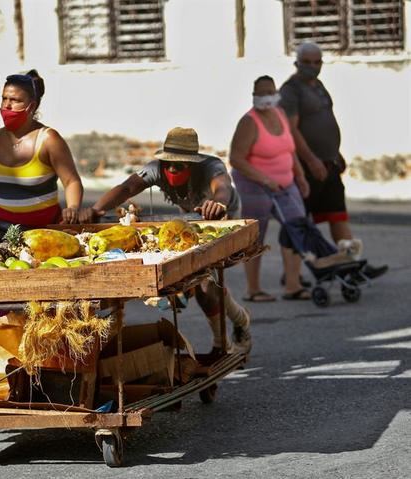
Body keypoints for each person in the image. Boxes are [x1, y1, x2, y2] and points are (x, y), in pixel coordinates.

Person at [79, 127, 251, 356]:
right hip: (191, 218)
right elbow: (127, 188)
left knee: (206, 284)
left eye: (179, 165)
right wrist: (96, 209)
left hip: (221, 217)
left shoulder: (212, 167)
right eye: (168, 163)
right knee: (194, 277)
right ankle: (238, 323)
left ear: (192, 164)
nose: (171, 169)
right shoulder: (155, 169)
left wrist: (218, 204)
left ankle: (224, 341)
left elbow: (222, 187)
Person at [279, 42, 387, 280]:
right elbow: (291, 130)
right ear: (297, 62)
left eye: (317, 62)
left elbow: (325, 119)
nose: (312, 66)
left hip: (329, 164)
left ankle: (351, 265)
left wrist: (334, 154)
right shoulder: (291, 89)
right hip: (308, 167)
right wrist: (312, 160)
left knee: (338, 214)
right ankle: (292, 276)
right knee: (300, 223)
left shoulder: (318, 86)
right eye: (307, 62)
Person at [0, 70, 83, 232]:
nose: (7, 105)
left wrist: (73, 207)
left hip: (43, 235)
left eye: (14, 100)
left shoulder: (49, 140)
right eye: (4, 98)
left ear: (31, 106)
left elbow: (71, 181)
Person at [229, 75, 312, 302]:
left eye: (269, 92)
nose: (265, 97)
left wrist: (301, 176)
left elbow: (290, 150)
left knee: (296, 227)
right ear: (254, 95)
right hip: (254, 185)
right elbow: (236, 159)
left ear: (276, 93)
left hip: (286, 183)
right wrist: (264, 179)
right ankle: (253, 289)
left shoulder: (281, 114)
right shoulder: (248, 121)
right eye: (260, 93)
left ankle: (293, 285)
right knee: (257, 235)